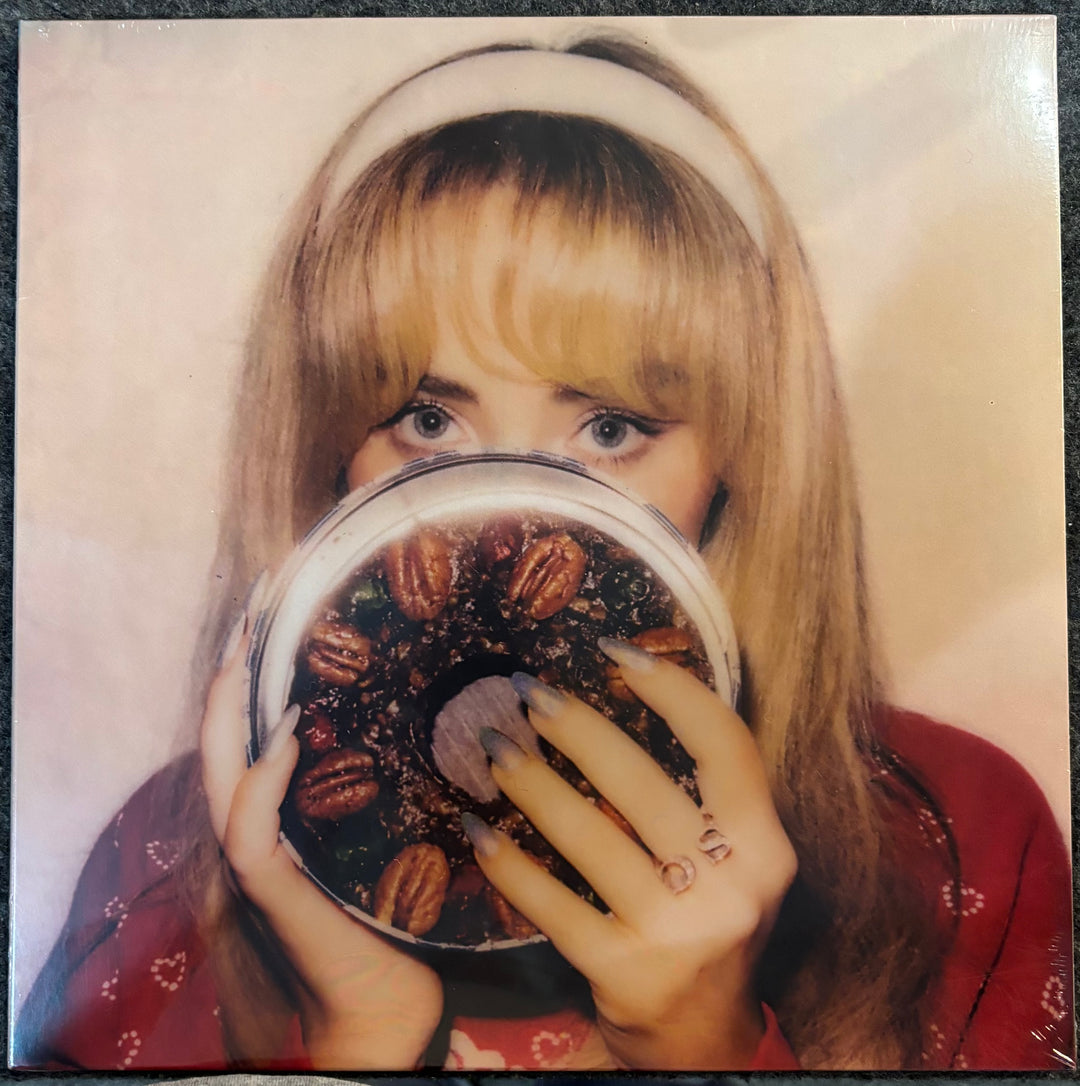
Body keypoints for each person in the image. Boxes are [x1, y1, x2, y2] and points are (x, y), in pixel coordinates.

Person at [14, 34, 1073, 1072]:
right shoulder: (168, 881)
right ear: (324, 454)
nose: (502, 518)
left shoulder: (949, 847)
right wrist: (355, 1043)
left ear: (745, 459)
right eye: (428, 419)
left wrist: (709, 1048)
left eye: (609, 427)